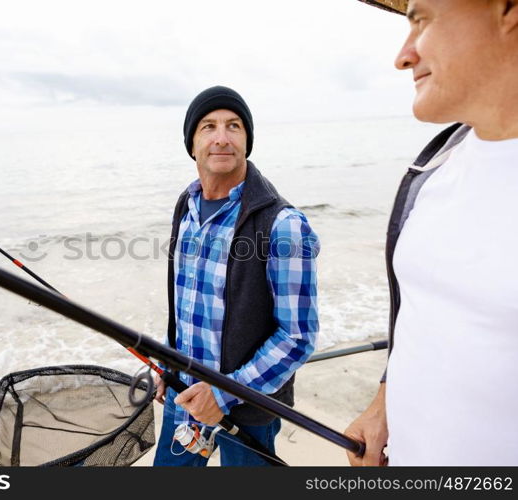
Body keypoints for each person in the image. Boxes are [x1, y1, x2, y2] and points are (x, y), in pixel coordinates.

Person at [346, 0, 518, 466]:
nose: (403, 55)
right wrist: (383, 406)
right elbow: (422, 319)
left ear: (508, 10)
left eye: (420, 19)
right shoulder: (431, 168)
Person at [152, 86, 320, 466]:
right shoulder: (187, 206)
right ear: (192, 144)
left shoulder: (284, 225)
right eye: (208, 127)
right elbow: (185, 304)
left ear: (247, 140)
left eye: (234, 126)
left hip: (247, 409)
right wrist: (166, 365)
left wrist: (223, 394)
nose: (221, 138)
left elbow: (296, 337)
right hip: (185, 397)